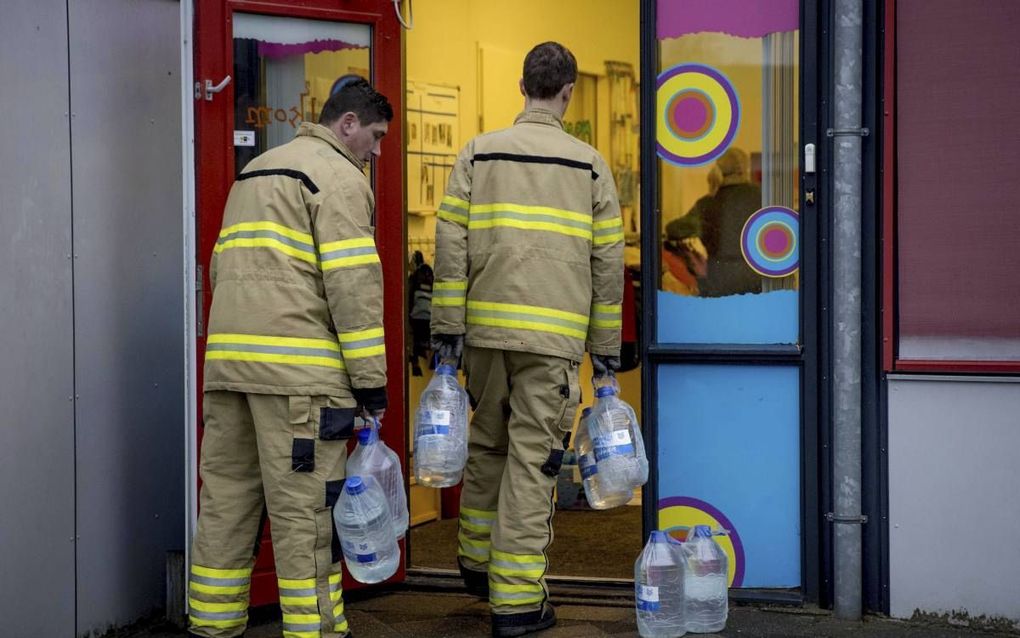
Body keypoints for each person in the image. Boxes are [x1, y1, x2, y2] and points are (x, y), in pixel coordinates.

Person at [430, 42, 624, 637]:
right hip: (552, 342)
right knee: (532, 464)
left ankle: (477, 563)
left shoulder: (477, 153)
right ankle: (514, 602)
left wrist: (448, 332)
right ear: (567, 92)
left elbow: (450, 244)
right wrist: (606, 348)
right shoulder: (589, 164)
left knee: (486, 446)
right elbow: (607, 263)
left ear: (522, 86)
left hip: (485, 336)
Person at [188, 77, 392, 638]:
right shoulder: (339, 180)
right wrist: (371, 386)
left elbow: (219, 268)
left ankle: (211, 624)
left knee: (226, 505)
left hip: (229, 372)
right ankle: (316, 631)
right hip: (299, 384)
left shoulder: (255, 170)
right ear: (346, 124)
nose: (376, 151)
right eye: (374, 136)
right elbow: (354, 290)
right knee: (305, 520)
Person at [683, 147, 763, 297]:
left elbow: (676, 230)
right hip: (756, 275)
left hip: (718, 277)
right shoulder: (763, 197)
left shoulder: (707, 202)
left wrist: (692, 254)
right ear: (744, 168)